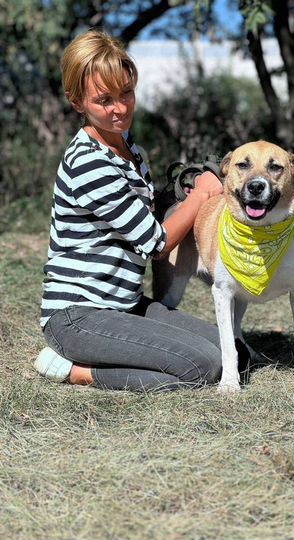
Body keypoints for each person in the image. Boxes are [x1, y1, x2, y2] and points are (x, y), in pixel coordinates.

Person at [34, 29, 231, 392]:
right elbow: (157, 244)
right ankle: (76, 370)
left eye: (127, 92)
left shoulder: (129, 150)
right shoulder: (89, 162)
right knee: (202, 365)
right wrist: (200, 194)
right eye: (104, 99)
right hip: (78, 315)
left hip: (124, 304)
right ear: (77, 102)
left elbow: (140, 219)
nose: (120, 108)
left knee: (234, 350)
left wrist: (180, 194)